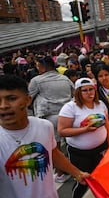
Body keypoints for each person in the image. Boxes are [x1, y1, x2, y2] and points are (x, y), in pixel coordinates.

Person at [0, 75, 89, 198]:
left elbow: (53, 153)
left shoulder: (44, 126)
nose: (3, 106)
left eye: (11, 98)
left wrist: (77, 173)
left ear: (27, 100)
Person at [58, 78, 109, 198]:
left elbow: (107, 124)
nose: (89, 93)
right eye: (85, 90)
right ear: (78, 92)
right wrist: (85, 130)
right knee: (82, 180)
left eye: (91, 89)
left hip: (100, 150)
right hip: (80, 153)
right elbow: (62, 131)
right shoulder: (70, 108)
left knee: (102, 177)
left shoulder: (100, 104)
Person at [28, 55, 74, 183]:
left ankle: (60, 174)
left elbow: (28, 98)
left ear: (43, 67)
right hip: (68, 115)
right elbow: (74, 93)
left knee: (55, 148)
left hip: (50, 117)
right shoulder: (65, 79)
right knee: (70, 144)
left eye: (38, 66)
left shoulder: (36, 81)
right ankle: (71, 168)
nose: (37, 68)